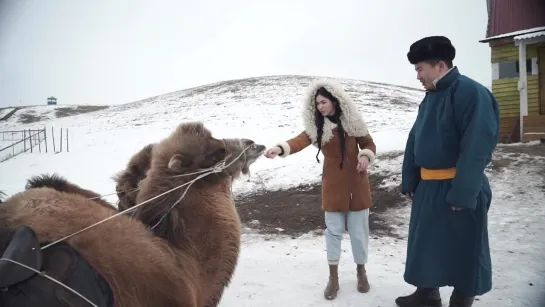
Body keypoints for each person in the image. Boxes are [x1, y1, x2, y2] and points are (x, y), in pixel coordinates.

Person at [396, 35, 499, 307]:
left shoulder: (470, 92)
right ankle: (427, 294)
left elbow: (478, 145)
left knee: (464, 250)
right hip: (429, 188)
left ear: (440, 65)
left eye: (420, 69)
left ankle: (462, 300)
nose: (417, 75)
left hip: (457, 186)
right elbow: (415, 138)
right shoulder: (431, 97)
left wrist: (464, 193)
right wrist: (411, 178)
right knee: (426, 245)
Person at [263, 79, 377, 300]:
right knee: (333, 234)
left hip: (358, 188)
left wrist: (365, 156)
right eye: (317, 104)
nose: (320, 107)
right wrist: (279, 148)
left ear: (335, 101)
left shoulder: (353, 122)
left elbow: (369, 143)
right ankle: (333, 278)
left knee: (359, 234)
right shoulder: (318, 127)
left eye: (323, 102)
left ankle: (361, 271)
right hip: (333, 188)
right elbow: (300, 140)